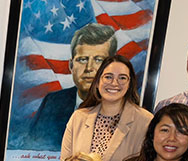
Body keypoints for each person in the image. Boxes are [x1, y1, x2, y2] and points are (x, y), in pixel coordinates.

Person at [61, 54, 153, 161]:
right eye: (108, 76)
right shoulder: (78, 118)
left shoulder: (145, 122)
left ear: (130, 84)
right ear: (97, 82)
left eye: (122, 78)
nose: (114, 83)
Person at [22, 23, 118, 152]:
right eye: (82, 59)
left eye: (99, 60)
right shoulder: (53, 102)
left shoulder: (123, 111)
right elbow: (33, 148)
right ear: (71, 65)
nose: (89, 68)